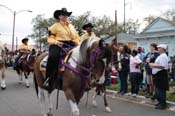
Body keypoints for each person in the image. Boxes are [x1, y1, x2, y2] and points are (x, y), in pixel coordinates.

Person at [44, 8, 80, 91]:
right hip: (58, 44)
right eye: (63, 15)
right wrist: (56, 42)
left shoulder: (72, 26)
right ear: (59, 16)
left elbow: (77, 37)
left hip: (71, 44)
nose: (65, 16)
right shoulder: (54, 27)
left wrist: (78, 44)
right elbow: (50, 39)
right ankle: (49, 78)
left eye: (66, 15)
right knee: (53, 56)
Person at [149, 44, 169, 109]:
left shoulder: (163, 56)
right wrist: (154, 64)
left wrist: (153, 65)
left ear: (162, 49)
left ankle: (162, 104)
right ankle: (160, 102)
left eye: (159, 47)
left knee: (161, 90)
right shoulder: (161, 55)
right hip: (159, 74)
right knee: (158, 89)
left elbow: (162, 66)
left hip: (161, 74)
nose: (158, 48)